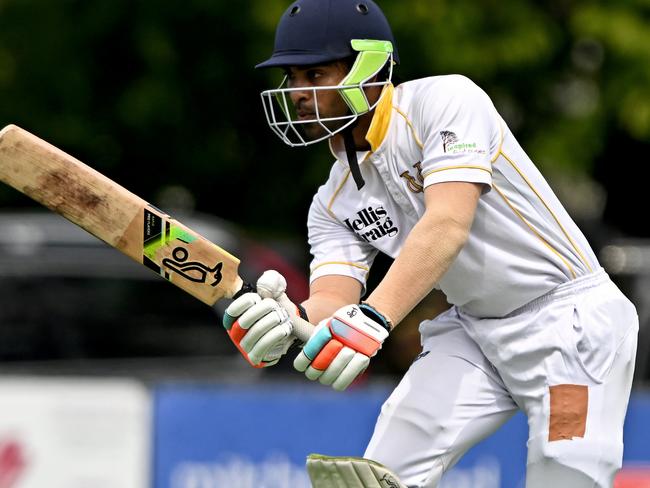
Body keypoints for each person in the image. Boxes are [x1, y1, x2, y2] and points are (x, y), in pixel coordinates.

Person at [221, 0, 639, 486]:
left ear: (369, 67)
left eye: (315, 74)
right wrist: (289, 321)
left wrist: (375, 318)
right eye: (293, 78)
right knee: (381, 471)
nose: (298, 93)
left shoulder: (445, 102)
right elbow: (334, 302)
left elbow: (447, 225)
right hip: (473, 334)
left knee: (567, 475)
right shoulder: (332, 202)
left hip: (571, 326)